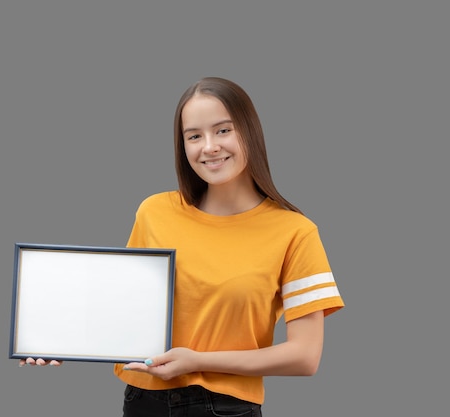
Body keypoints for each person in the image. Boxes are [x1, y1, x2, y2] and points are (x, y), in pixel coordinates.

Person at [20, 77, 344, 416]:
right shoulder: (154, 212)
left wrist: (197, 361)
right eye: (194, 136)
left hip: (225, 408)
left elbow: (305, 357)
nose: (209, 147)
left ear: (250, 132)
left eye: (222, 130)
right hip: (142, 402)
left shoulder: (295, 231)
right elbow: (122, 311)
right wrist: (55, 338)